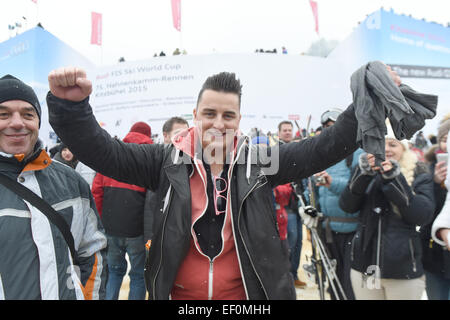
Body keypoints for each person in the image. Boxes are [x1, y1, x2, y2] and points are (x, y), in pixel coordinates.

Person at [47, 65, 401, 300]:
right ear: (196, 115)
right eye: (210, 114)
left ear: (239, 119)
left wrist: (366, 102)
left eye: (228, 115)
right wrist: (72, 109)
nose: (219, 123)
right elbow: (105, 153)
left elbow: (319, 149)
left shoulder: (259, 161)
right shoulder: (164, 160)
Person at [0, 74, 107, 300]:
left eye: (28, 114)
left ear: (38, 121)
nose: (18, 122)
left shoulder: (71, 181)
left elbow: (92, 253)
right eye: (4, 114)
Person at [339, 123, 434, 300]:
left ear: (404, 148)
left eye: (393, 144)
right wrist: (363, 175)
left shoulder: (420, 172)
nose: (386, 149)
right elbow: (347, 206)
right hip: (365, 267)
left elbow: (421, 215)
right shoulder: (365, 170)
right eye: (381, 144)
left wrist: (394, 178)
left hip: (402, 270)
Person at [92, 121, 153, 300]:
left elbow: (96, 193)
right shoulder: (150, 160)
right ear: (148, 136)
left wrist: (102, 222)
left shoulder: (113, 157)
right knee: (137, 275)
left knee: (114, 273)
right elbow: (152, 202)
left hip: (111, 230)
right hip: (137, 232)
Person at [307, 108, 363, 300]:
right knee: (332, 281)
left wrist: (332, 183)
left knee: (350, 283)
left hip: (353, 231)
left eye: (335, 127)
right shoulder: (321, 156)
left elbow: (358, 189)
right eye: (327, 128)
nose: (331, 131)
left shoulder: (357, 153)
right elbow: (312, 190)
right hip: (327, 231)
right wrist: (308, 206)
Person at [143, 117, 189, 252]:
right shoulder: (156, 161)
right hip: (158, 237)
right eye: (178, 133)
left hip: (182, 238)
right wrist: (150, 240)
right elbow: (151, 206)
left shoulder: (189, 161)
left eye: (186, 134)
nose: (183, 138)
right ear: (165, 136)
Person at [421, 115, 450, 300]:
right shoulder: (426, 170)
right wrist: (436, 183)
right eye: (444, 139)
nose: (447, 144)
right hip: (434, 255)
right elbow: (424, 212)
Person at [275, 120, 306, 289]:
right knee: (290, 242)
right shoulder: (276, 152)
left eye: (289, 130)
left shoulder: (298, 150)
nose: (287, 132)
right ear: (278, 133)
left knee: (299, 242)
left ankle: (293, 274)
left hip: (298, 203)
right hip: (285, 206)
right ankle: (286, 277)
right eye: (284, 130)